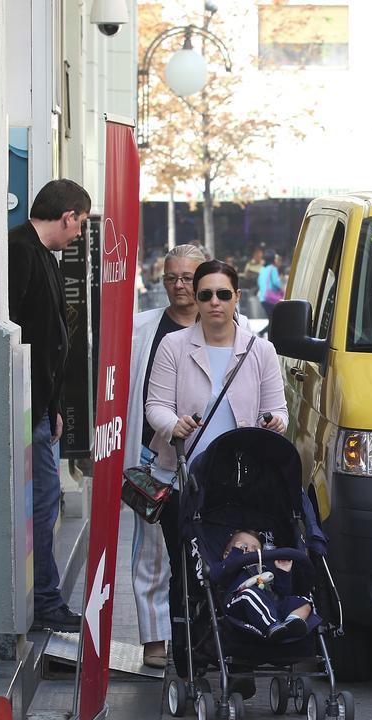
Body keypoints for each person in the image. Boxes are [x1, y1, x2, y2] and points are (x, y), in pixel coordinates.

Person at [144, 259, 289, 616]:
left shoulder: (261, 350)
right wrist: (172, 424)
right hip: (183, 479)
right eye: (206, 294)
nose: (214, 302)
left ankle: (236, 644)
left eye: (223, 294)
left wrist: (273, 422)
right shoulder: (173, 346)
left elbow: (280, 412)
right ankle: (188, 652)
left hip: (241, 484)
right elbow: (155, 405)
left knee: (240, 564)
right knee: (186, 574)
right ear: (195, 298)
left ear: (237, 297)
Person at [8, 178, 91, 633]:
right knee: (41, 504)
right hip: (26, 406)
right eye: (79, 223)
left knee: (44, 503)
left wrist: (55, 404)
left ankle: (44, 595)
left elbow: (51, 337)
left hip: (40, 407)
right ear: (67, 216)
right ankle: (44, 599)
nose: (79, 234)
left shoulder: (43, 255)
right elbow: (16, 336)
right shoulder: (20, 251)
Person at [124, 242, 208, 668]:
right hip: (151, 453)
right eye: (171, 278)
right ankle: (155, 638)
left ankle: (207, 632)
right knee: (154, 550)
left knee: (209, 544)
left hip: (210, 455)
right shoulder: (142, 328)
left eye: (188, 278)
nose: (179, 286)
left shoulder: (233, 325)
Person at [215, 530, 318, 643]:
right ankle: (273, 627)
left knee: (303, 601)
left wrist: (283, 572)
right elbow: (215, 576)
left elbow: (283, 593)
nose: (249, 550)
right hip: (239, 603)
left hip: (271, 604)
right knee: (249, 594)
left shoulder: (264, 569)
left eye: (255, 550)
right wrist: (235, 554)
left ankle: (290, 624)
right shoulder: (228, 567)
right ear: (226, 554)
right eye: (243, 546)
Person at [258, 251, 283, 318]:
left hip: (263, 298)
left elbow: (259, 282)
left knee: (271, 320)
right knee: (276, 319)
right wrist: (282, 289)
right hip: (270, 298)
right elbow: (276, 283)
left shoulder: (262, 269)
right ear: (273, 259)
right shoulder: (273, 268)